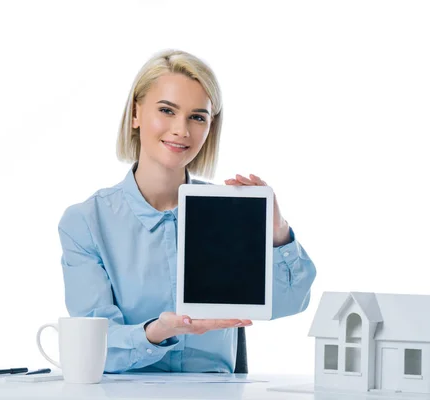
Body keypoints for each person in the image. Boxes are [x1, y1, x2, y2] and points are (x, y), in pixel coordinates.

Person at [57, 49, 317, 374]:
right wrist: (157, 333)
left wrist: (278, 233)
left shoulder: (229, 211)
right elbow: (93, 346)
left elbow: (291, 302)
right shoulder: (86, 222)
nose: (182, 129)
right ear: (135, 113)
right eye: (167, 110)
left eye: (197, 117)